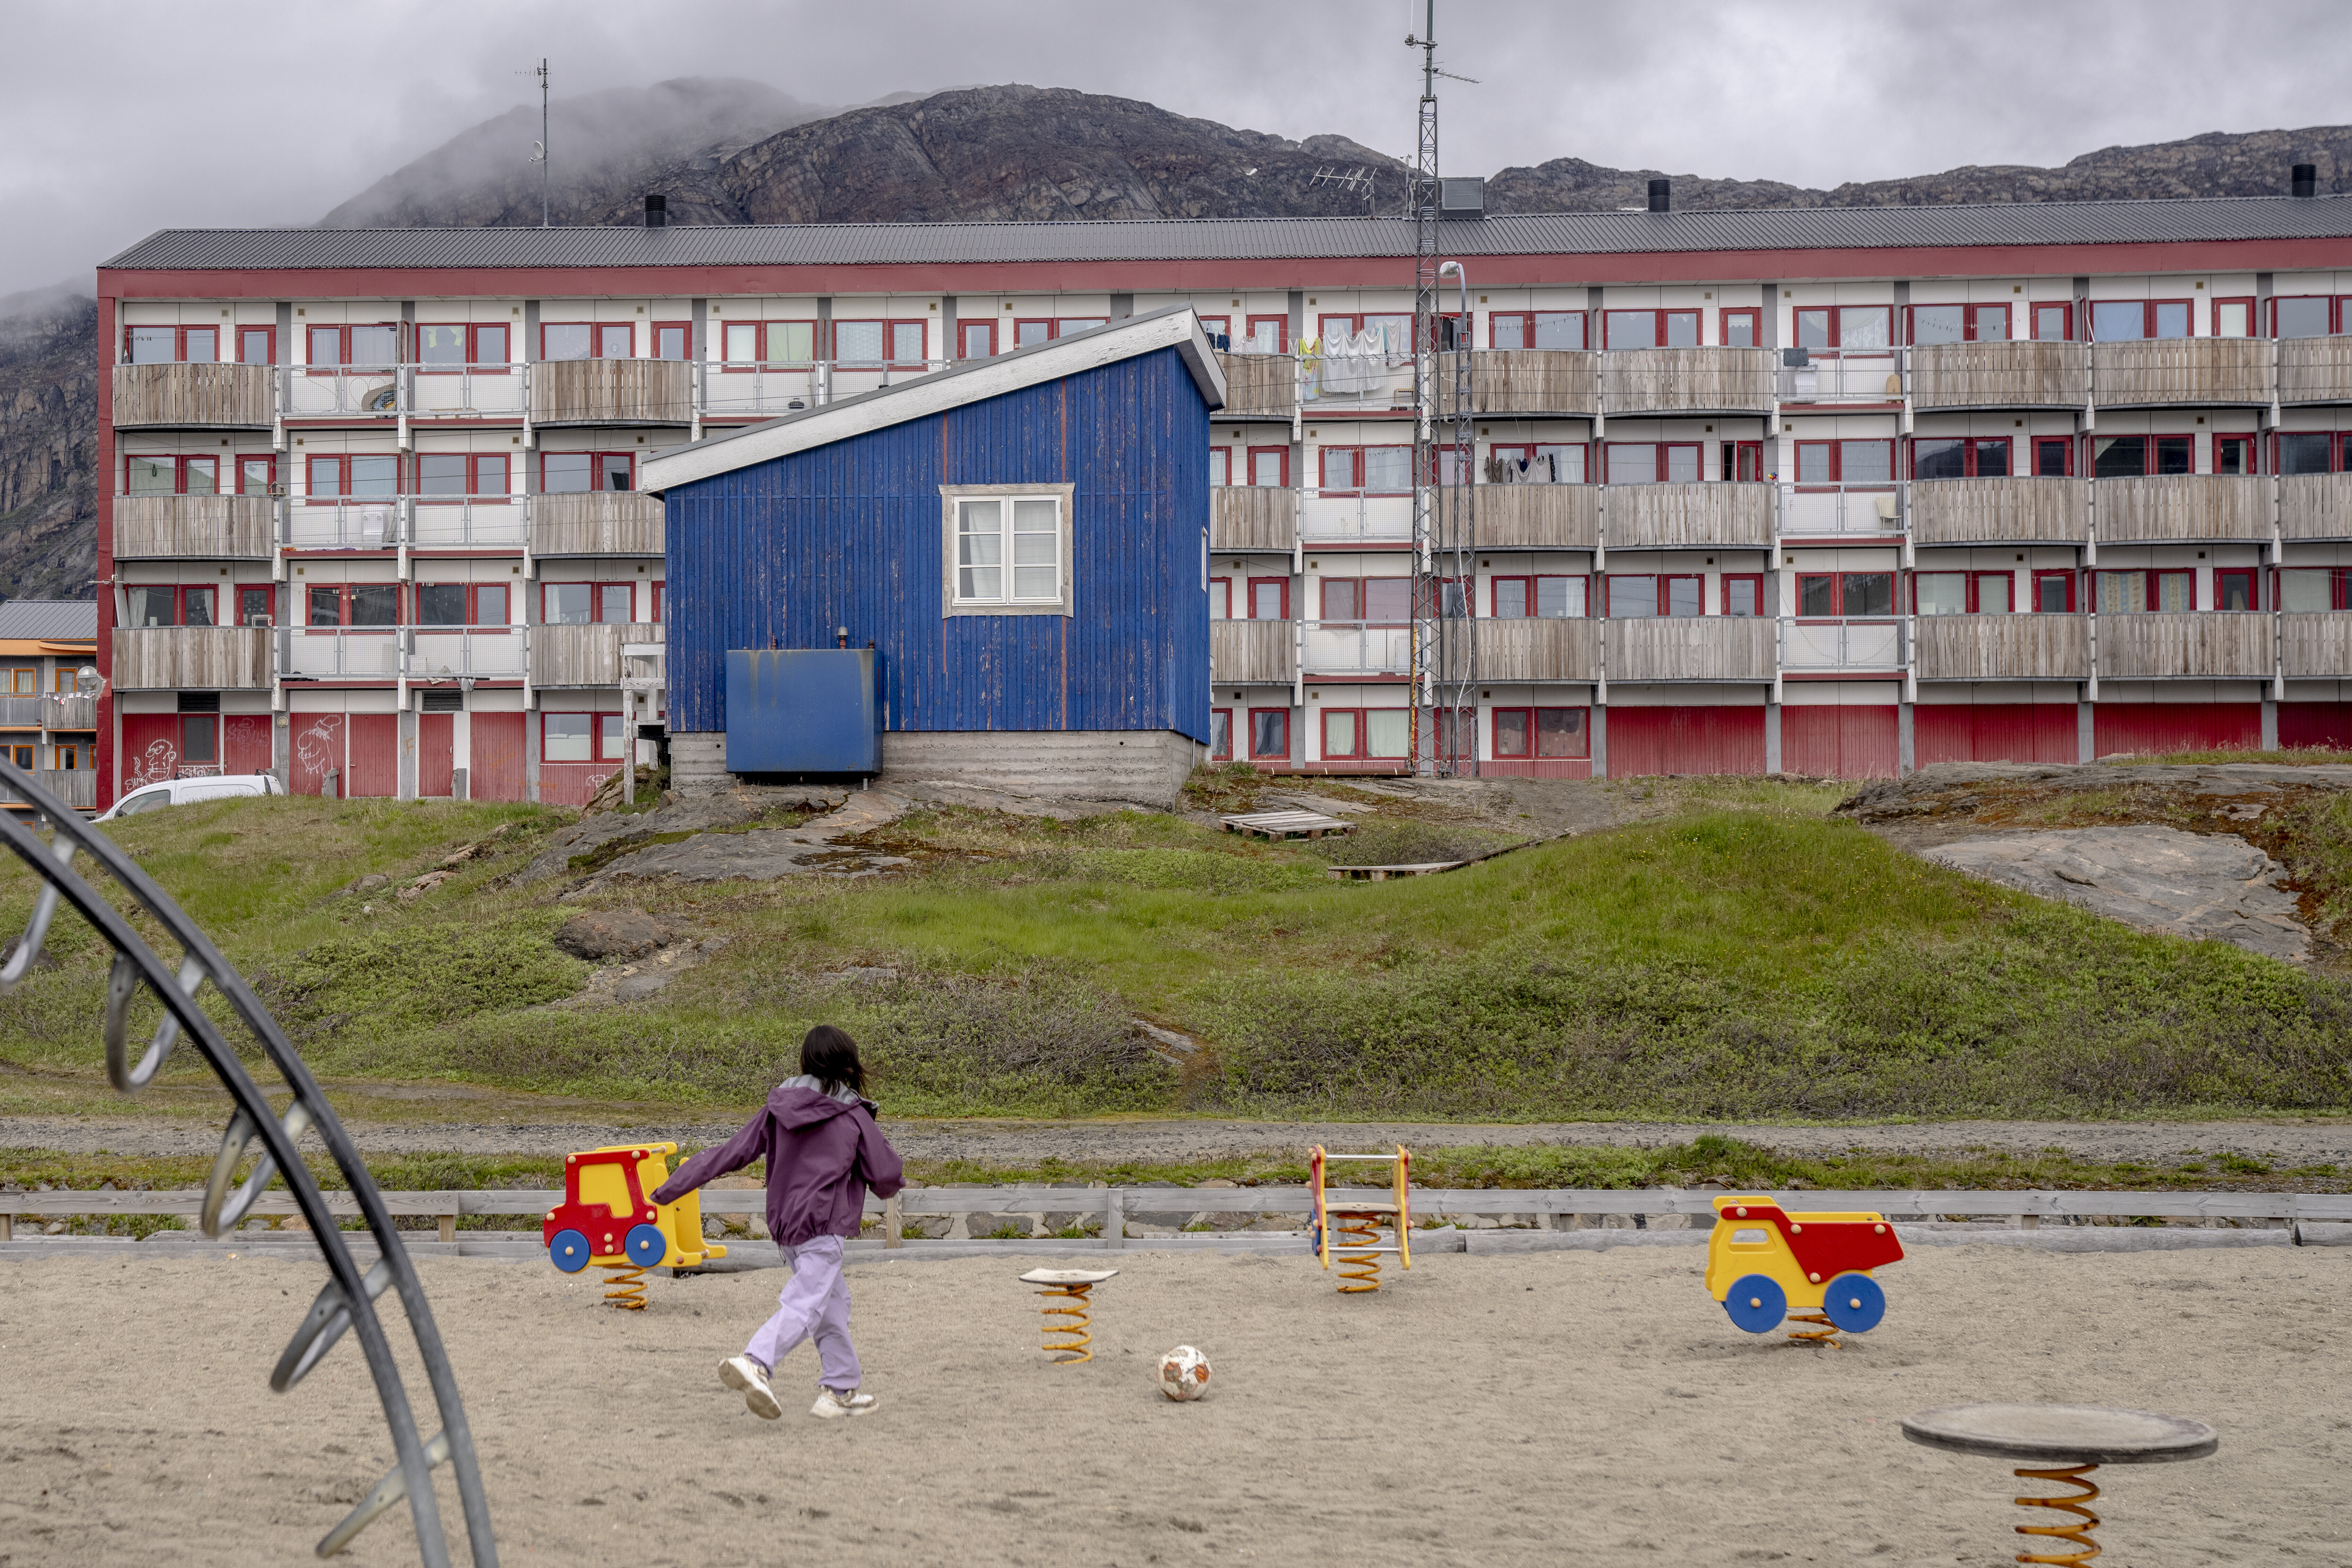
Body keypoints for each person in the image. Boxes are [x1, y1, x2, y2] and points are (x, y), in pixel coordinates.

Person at [651, 1024, 904, 1421]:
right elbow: (886, 1177)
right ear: (848, 1064)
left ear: (805, 1062)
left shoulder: (778, 1108)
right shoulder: (853, 1116)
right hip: (823, 1225)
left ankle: (839, 1390)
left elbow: (730, 1153)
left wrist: (667, 1189)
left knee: (831, 1303)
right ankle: (756, 1362)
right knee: (806, 1302)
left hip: (786, 1228)